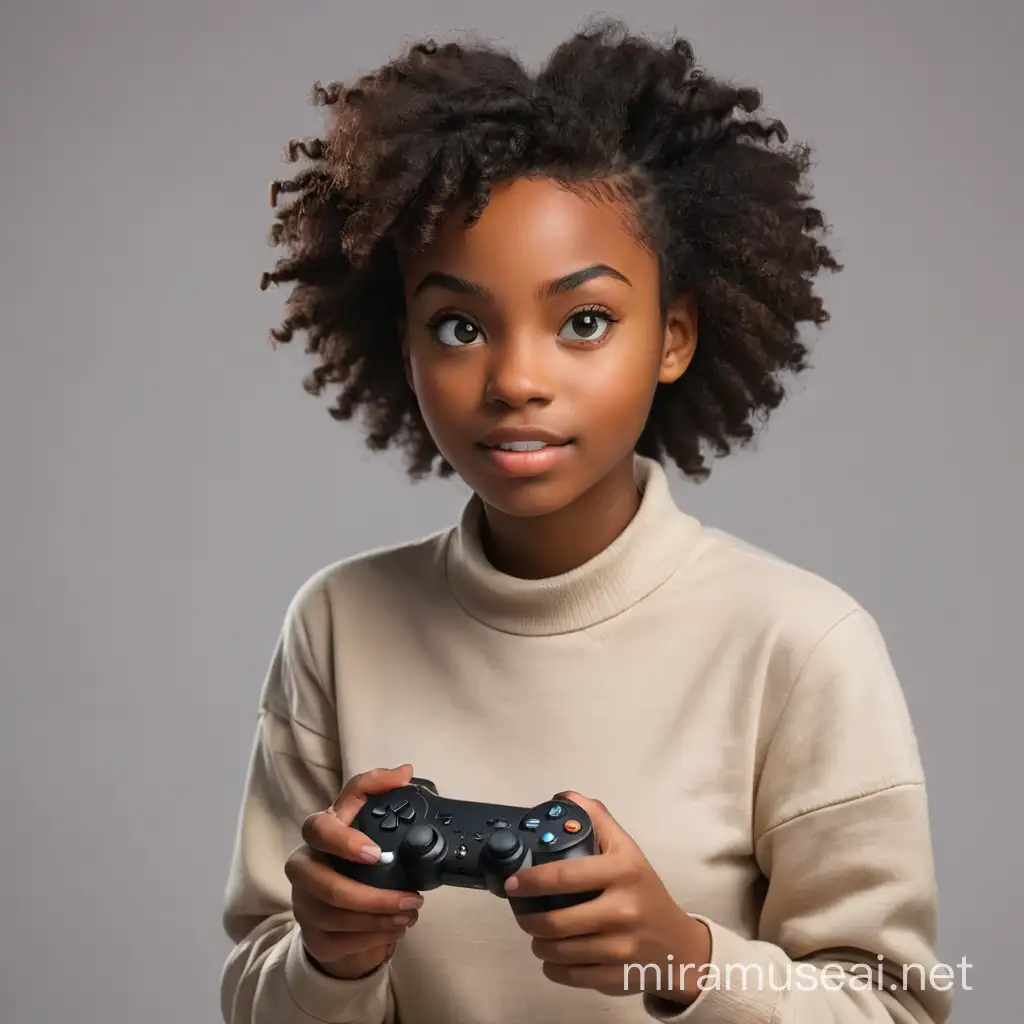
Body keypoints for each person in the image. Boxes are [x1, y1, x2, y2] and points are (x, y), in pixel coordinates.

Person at [219, 19, 951, 1024]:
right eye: (460, 326)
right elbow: (259, 991)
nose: (517, 379)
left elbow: (904, 1006)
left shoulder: (801, 646)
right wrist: (328, 958)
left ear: (675, 336)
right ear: (406, 343)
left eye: (584, 321)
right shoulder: (338, 623)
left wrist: (685, 960)